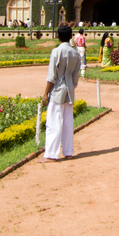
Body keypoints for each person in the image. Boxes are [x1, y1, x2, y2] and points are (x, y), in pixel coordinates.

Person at [41, 25, 81, 162]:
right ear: (71, 37)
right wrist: (70, 87)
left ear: (58, 36)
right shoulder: (76, 54)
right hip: (69, 89)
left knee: (53, 123)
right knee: (68, 122)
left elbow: (52, 76)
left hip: (57, 89)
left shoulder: (56, 52)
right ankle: (68, 151)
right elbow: (76, 78)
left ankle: (51, 154)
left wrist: (45, 93)